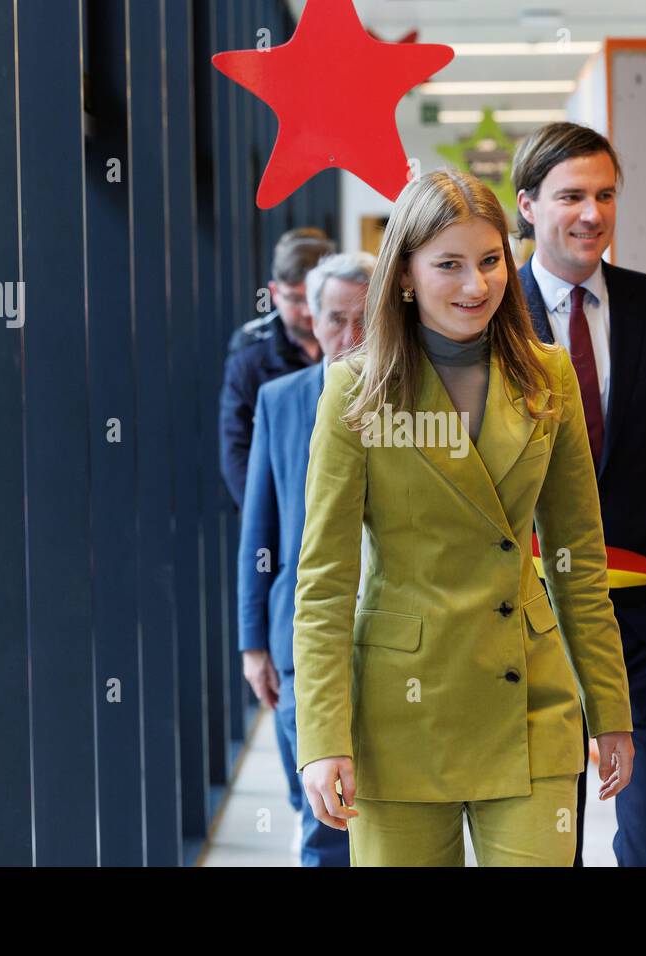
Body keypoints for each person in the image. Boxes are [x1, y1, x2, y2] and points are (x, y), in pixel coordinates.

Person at [292, 169, 634, 867]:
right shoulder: (353, 390)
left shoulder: (548, 374)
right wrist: (322, 737)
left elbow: (578, 559)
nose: (476, 286)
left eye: (489, 261)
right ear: (408, 275)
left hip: (530, 702)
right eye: (449, 264)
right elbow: (326, 582)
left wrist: (611, 711)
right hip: (399, 712)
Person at [513, 121, 646, 866]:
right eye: (571, 196)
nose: (592, 213)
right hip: (529, 613)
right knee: (545, 832)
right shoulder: (491, 317)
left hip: (644, 608)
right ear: (528, 205)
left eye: (604, 194)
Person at [238, 252, 374, 867]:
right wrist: (252, 644)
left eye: (364, 319)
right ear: (310, 324)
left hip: (391, 632)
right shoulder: (281, 400)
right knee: (322, 818)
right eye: (335, 319)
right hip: (300, 638)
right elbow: (258, 527)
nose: (350, 337)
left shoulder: (419, 404)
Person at [219, 228, 334, 508]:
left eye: (314, 298)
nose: (307, 311)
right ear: (273, 292)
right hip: (279, 504)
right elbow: (236, 450)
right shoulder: (250, 352)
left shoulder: (355, 341)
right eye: (296, 299)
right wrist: (263, 521)